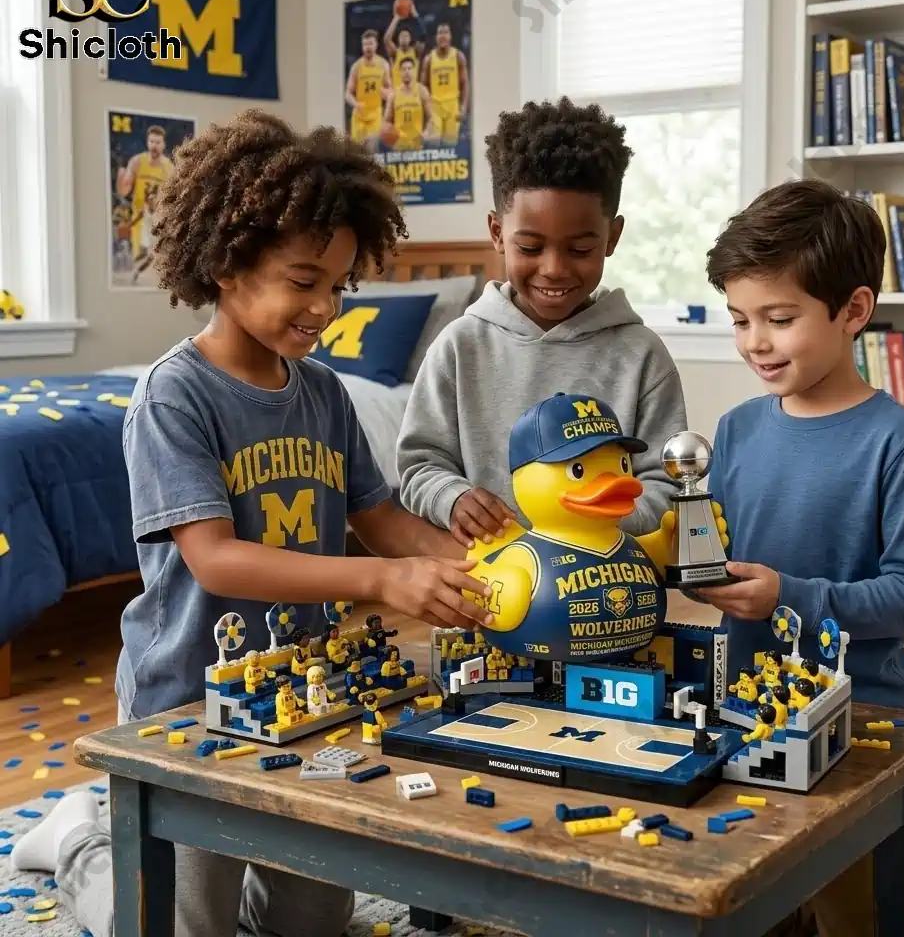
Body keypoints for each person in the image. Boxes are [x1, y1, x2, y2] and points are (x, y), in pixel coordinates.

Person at [11, 110, 493, 937]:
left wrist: (480, 571)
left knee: (308, 921)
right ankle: (81, 843)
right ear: (227, 267)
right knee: (180, 926)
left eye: (340, 286)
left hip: (307, 696)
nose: (326, 307)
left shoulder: (327, 394)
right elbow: (216, 560)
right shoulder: (174, 395)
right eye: (304, 281)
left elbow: (378, 517)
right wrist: (384, 580)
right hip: (188, 703)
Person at [696, 178, 904, 937]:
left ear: (853, 311)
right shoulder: (738, 428)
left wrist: (792, 596)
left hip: (863, 718)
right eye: (740, 319)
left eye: (780, 319)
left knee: (873, 928)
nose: (755, 342)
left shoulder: (897, 438)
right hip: (747, 708)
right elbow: (715, 544)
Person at [396, 97, 687, 548]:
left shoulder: (642, 355)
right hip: (494, 583)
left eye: (579, 249)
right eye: (530, 247)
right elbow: (419, 465)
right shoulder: (459, 346)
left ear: (612, 237)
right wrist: (451, 498)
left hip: (609, 589)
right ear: (497, 233)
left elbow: (666, 485)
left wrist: (591, 526)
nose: (553, 269)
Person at [116, 124, 174, 284]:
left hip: (159, 218)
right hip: (140, 213)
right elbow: (123, 191)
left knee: (154, 256)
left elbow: (174, 197)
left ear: (163, 145)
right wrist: (122, 180)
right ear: (147, 143)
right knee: (140, 255)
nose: (154, 146)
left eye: (158, 142)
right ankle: (134, 275)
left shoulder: (169, 168)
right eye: (151, 142)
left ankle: (139, 275)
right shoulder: (137, 162)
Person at [421, 23, 469, 145]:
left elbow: (464, 84)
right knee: (434, 143)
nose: (443, 36)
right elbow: (423, 87)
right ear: (436, 37)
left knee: (451, 146)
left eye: (445, 32)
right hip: (435, 106)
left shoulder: (458, 56)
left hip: (452, 105)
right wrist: (426, 111)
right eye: (440, 33)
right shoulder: (429, 59)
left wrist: (463, 107)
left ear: (450, 36)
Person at [345, 29, 391, 149]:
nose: (368, 47)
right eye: (365, 44)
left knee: (372, 149)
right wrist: (355, 104)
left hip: (375, 115)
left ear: (376, 45)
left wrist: (385, 93)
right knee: (357, 152)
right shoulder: (357, 66)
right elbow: (348, 93)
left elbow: (390, 90)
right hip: (359, 116)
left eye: (370, 44)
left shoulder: (383, 65)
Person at [384, 56, 434, 150]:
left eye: (409, 68)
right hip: (399, 146)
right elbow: (386, 122)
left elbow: (431, 118)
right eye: (403, 69)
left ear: (414, 71)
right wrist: (391, 139)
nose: (407, 71)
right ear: (399, 72)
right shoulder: (393, 95)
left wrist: (426, 133)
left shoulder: (422, 90)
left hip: (417, 145)